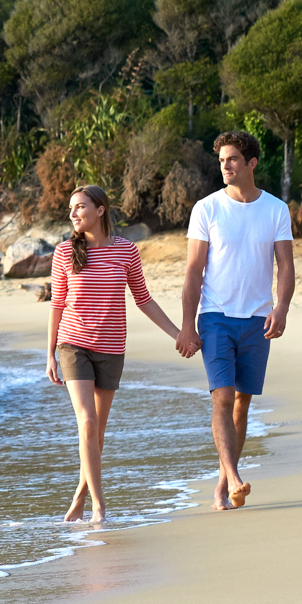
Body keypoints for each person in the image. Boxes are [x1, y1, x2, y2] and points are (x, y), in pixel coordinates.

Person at [43, 183, 186, 524]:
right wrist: (49, 353)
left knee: (98, 431)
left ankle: (79, 497)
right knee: (87, 422)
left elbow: (144, 299)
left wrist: (177, 333)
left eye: (80, 206)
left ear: (100, 210)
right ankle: (99, 505)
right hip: (73, 344)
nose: (73, 213)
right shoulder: (64, 252)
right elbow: (57, 304)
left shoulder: (126, 251)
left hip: (111, 348)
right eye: (71, 208)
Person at [173, 131, 294, 510]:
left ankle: (224, 482)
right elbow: (194, 272)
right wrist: (188, 325)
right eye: (222, 160)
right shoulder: (206, 209)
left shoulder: (276, 209)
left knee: (242, 402)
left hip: (258, 317)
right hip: (215, 316)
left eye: (232, 160)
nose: (225, 166)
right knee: (222, 397)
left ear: (251, 163)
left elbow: (286, 266)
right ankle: (236, 477)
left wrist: (282, 308)